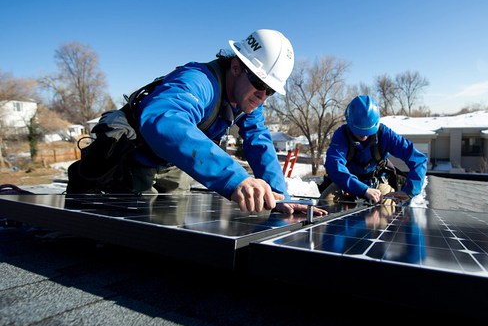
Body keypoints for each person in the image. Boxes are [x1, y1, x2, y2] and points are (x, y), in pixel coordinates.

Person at [68, 29, 325, 217]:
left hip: (173, 164)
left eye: (270, 90)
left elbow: (259, 141)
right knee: (133, 236)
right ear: (236, 66)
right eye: (259, 83)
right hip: (136, 160)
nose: (263, 96)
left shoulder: (248, 100)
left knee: (171, 233)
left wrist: (280, 196)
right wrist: (235, 179)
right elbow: (165, 121)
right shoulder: (198, 82)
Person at [320, 95, 427, 205]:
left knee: (386, 208)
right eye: (359, 132)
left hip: (376, 179)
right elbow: (334, 165)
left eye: (368, 131)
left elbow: (418, 159)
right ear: (349, 123)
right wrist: (363, 189)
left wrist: (410, 191)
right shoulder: (341, 135)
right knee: (326, 203)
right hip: (346, 181)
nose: (364, 136)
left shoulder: (385, 135)